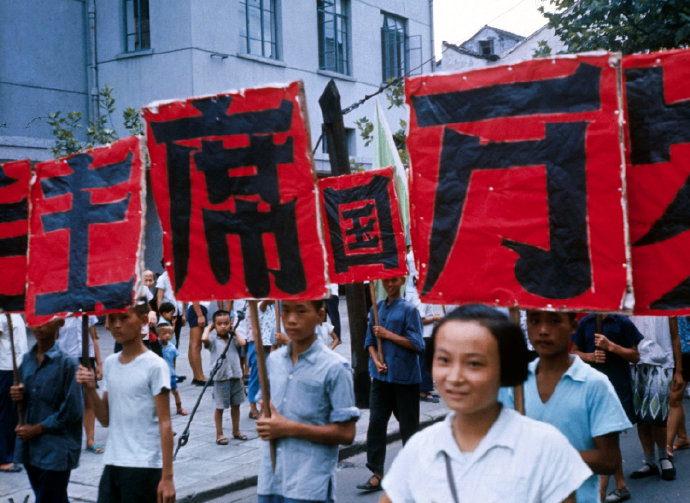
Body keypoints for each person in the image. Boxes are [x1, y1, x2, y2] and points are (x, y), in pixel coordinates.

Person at [380, 305, 591, 503]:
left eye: (474, 363)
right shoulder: (420, 448)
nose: (455, 377)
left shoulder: (546, 447)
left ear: (505, 368)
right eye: (444, 360)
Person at [502, 310, 633, 503]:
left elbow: (608, 460)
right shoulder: (514, 383)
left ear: (573, 326)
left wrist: (546, 456)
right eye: (534, 321)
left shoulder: (595, 384)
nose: (543, 330)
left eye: (554, 321)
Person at [256, 299, 359, 502]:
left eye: (301, 311)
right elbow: (265, 411)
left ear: (320, 315)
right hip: (271, 480)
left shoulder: (336, 367)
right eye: (286, 311)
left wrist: (288, 428)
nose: (291, 319)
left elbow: (347, 433)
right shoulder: (274, 360)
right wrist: (265, 422)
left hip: (309, 486)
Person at [76, 299, 175, 503]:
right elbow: (105, 419)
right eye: (112, 319)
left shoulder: (155, 366)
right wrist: (90, 388)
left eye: (124, 318)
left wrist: (167, 477)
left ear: (143, 320)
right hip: (113, 463)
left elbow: (165, 423)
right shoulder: (111, 364)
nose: (117, 325)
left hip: (144, 466)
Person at [357, 276, 424, 493]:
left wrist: (388, 335)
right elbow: (369, 341)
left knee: (409, 427)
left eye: (394, 281)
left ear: (402, 281)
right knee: (376, 422)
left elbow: (418, 344)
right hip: (381, 378)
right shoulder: (375, 309)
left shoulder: (409, 310)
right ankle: (376, 472)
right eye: (386, 281)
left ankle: (413, 473)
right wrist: (376, 360)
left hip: (405, 378)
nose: (390, 285)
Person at [10, 317, 83, 502]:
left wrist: (37, 429)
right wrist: (18, 395)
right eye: (35, 320)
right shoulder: (26, 360)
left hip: (57, 449)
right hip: (31, 448)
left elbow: (73, 410)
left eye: (46, 320)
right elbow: (21, 403)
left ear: (59, 322)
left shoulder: (68, 364)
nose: (40, 325)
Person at [571, 314, 642, 498]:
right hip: (590, 388)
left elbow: (635, 356)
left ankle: (601, 492)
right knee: (603, 436)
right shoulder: (586, 323)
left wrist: (611, 347)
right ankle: (620, 484)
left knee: (609, 434)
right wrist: (590, 356)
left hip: (617, 385)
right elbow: (574, 352)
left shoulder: (622, 323)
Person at [627, 316, 682, 481]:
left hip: (661, 363)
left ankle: (664, 457)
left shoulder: (665, 306)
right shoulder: (630, 305)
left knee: (658, 416)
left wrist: (678, 370)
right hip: (634, 363)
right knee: (641, 418)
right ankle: (650, 461)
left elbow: (675, 336)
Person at [57, 314, 105, 454]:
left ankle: (90, 440)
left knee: (89, 400)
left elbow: (93, 338)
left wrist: (99, 363)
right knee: (68, 400)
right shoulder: (60, 313)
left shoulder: (87, 313)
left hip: (87, 358)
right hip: (67, 360)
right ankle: (66, 439)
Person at [201, 310, 247, 444]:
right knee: (220, 407)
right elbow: (204, 339)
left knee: (236, 405)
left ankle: (236, 430)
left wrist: (234, 330)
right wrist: (208, 328)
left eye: (226, 323)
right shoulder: (213, 341)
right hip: (221, 378)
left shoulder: (233, 339)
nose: (223, 326)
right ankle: (219, 434)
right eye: (219, 324)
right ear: (214, 325)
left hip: (235, 375)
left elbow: (243, 343)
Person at [0, 313, 27, 473]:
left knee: (15, 413)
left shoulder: (15, 313)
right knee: (6, 414)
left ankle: (12, 452)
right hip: (6, 368)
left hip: (19, 366)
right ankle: (4, 458)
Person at [667, 316, 690, 453]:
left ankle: (668, 445)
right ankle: (682, 437)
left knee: (674, 398)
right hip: (678, 350)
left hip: (685, 349)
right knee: (675, 398)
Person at [157, 319, 187, 416]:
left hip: (170, 374)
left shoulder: (172, 347)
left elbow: (173, 360)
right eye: (164, 333)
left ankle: (179, 407)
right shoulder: (156, 346)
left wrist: (174, 371)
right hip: (160, 375)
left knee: (175, 391)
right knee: (161, 394)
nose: (167, 335)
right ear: (158, 335)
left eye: (169, 333)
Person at [155, 267, 185, 352]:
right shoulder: (162, 278)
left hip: (177, 313)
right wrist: (161, 316)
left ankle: (173, 360)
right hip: (167, 314)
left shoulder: (179, 277)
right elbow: (159, 299)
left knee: (175, 340)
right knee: (166, 341)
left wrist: (183, 314)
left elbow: (182, 297)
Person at [417, 301, 441, 403]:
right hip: (425, 335)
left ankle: (426, 390)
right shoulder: (423, 301)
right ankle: (422, 392)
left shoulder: (427, 300)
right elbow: (420, 320)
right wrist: (435, 318)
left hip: (427, 335)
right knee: (425, 364)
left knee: (427, 363)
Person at [187, 301, 210, 385]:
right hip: (198, 309)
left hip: (196, 309)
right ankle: (200, 377)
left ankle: (196, 376)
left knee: (193, 344)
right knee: (196, 345)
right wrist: (200, 315)